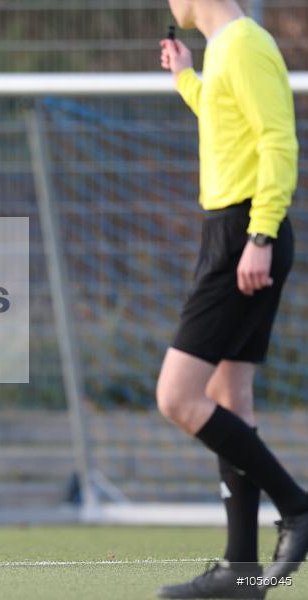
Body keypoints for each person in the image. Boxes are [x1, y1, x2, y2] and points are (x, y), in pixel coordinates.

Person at [157, 1, 304, 597]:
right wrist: (186, 79)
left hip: (246, 233)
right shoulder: (225, 50)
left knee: (177, 396)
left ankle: (297, 507)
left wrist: (261, 234)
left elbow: (278, 142)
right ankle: (241, 572)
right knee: (227, 396)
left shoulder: (243, 44)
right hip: (231, 230)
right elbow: (229, 125)